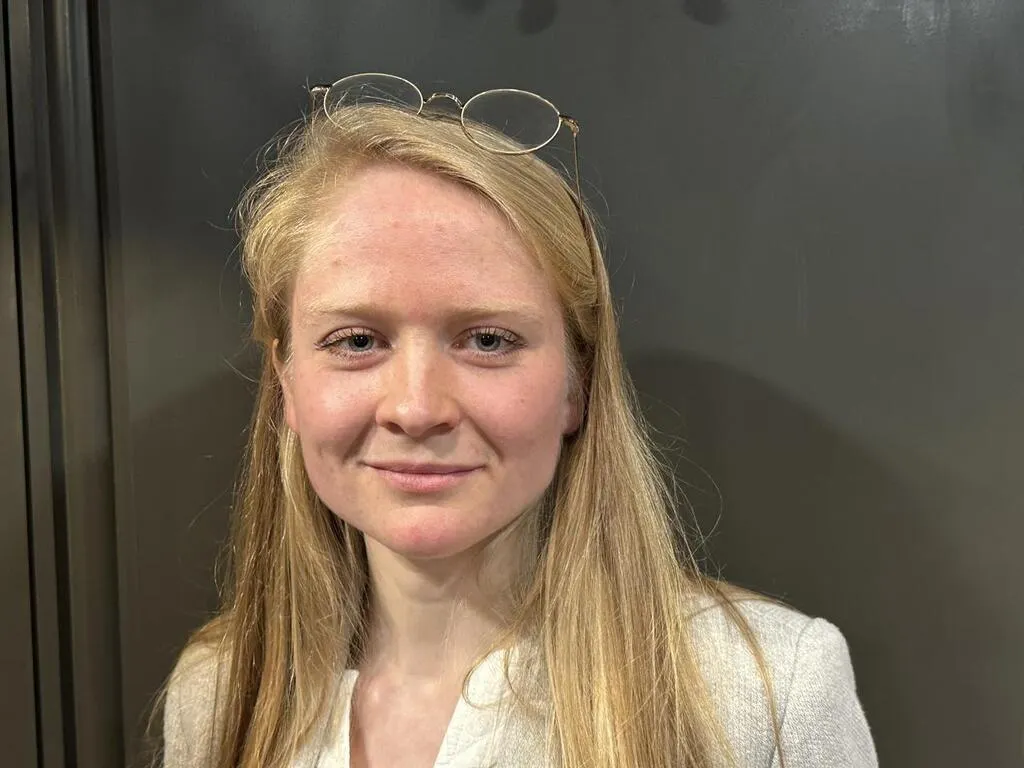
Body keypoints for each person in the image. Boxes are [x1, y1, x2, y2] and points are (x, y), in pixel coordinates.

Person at [160, 74, 878, 768]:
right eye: (355, 342)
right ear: (286, 381)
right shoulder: (218, 694)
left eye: (487, 340)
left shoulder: (765, 693)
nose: (417, 409)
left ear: (577, 382)